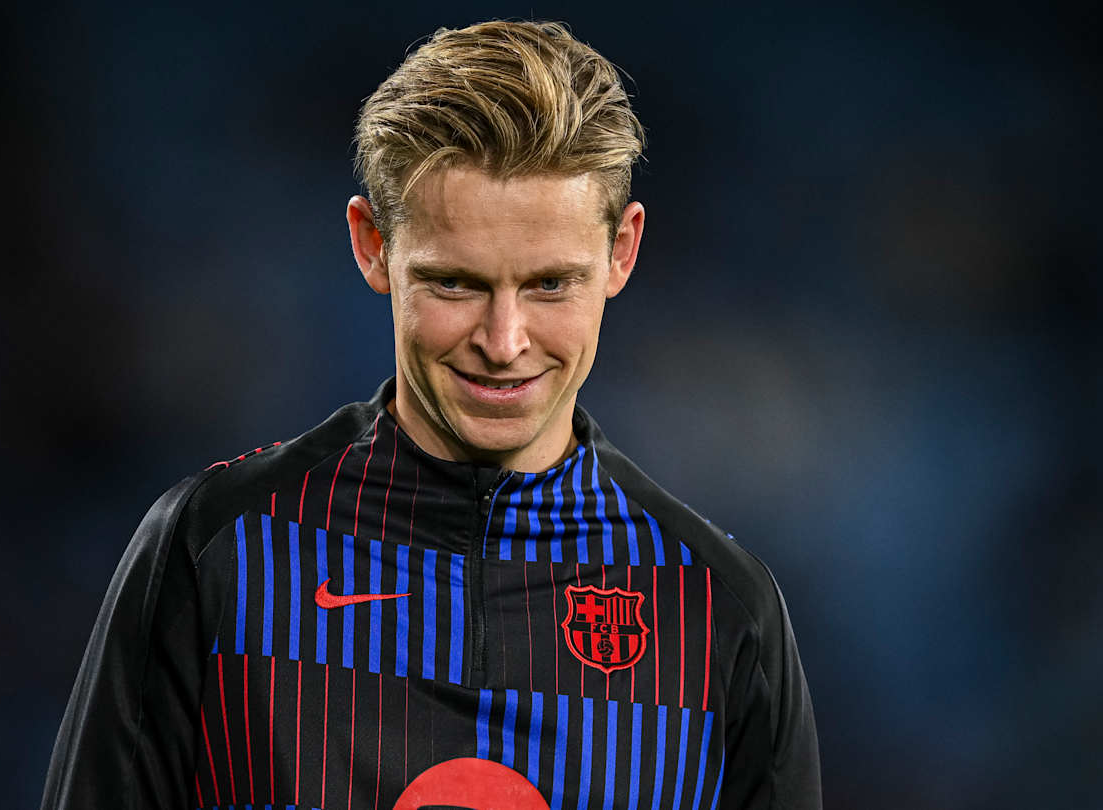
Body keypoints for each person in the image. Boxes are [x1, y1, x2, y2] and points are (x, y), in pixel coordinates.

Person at [42, 19, 820, 810]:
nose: (504, 343)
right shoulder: (218, 552)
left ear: (622, 250)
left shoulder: (720, 609)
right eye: (456, 283)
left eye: (551, 284)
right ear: (372, 245)